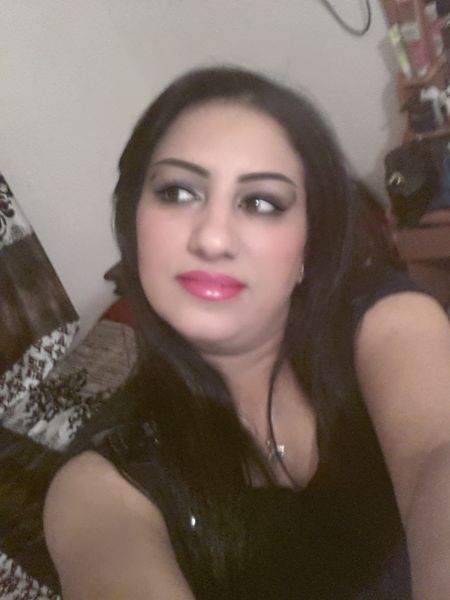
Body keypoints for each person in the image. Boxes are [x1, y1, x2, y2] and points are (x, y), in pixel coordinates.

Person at [43, 66, 450, 599]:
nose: (213, 238)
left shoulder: (387, 322)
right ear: (133, 229)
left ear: (307, 251)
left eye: (262, 202)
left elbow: (437, 451)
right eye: (178, 192)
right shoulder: (97, 484)